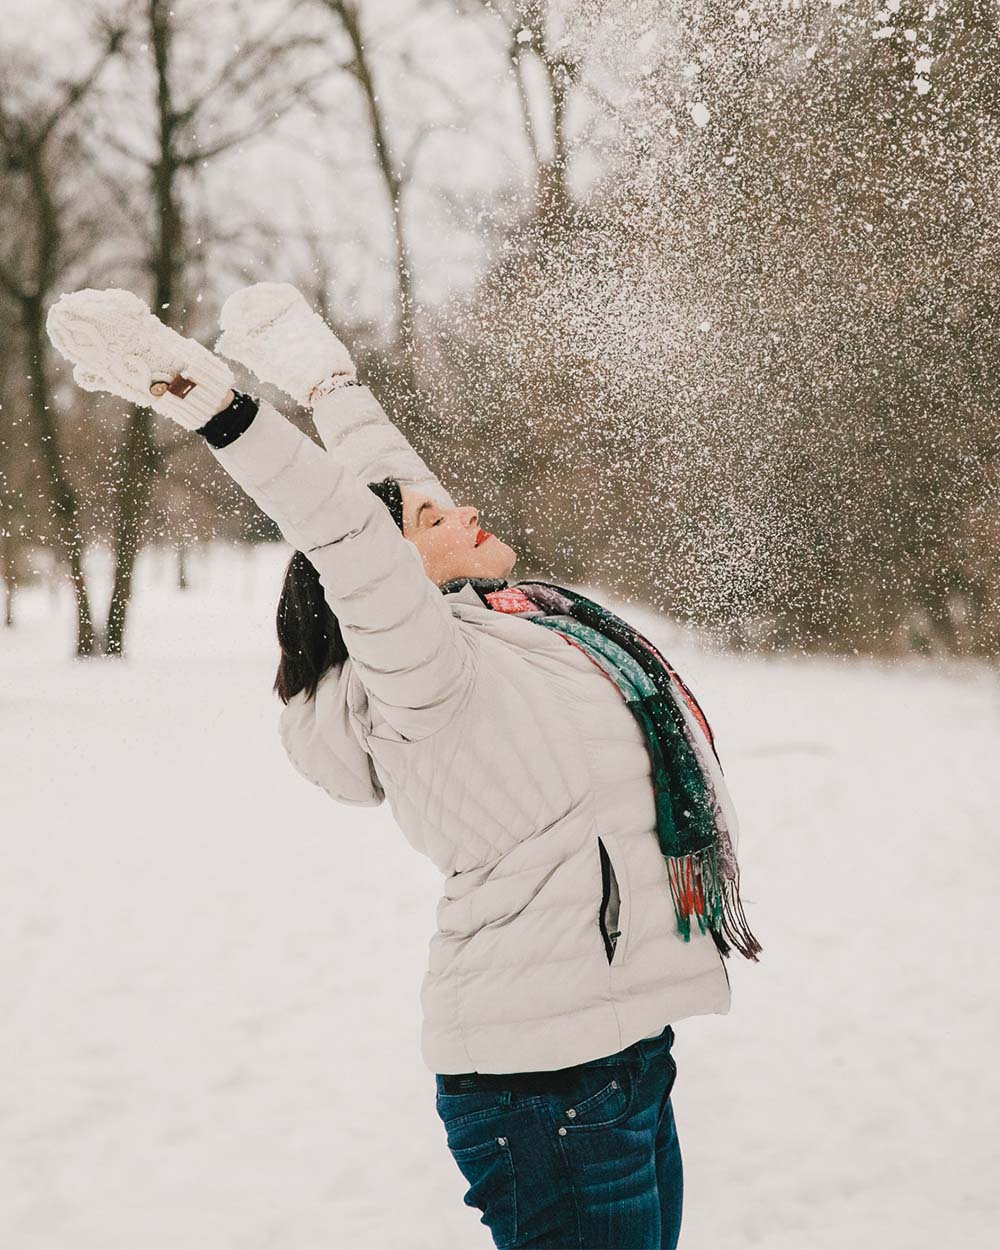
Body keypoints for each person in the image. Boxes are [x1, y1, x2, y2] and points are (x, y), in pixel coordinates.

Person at [46, 283, 762, 1250]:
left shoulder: (506, 628)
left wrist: (327, 378)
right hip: (546, 1083)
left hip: (619, 1053)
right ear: (387, 585)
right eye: (429, 521)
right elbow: (346, 526)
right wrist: (212, 402)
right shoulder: (427, 678)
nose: (458, 508)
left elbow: (386, 484)